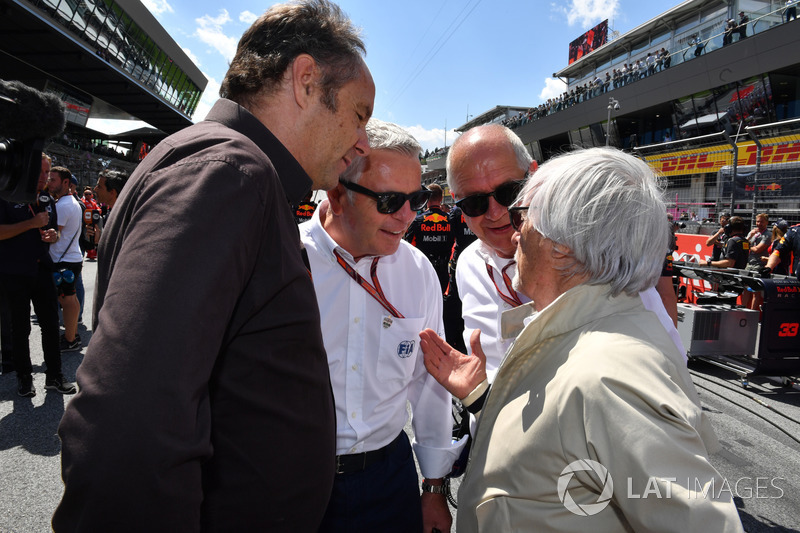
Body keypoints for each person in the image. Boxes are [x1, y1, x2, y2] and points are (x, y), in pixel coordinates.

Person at [54, 1, 374, 531]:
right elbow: (128, 429)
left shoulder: (228, 169)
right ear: (306, 81)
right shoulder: (231, 172)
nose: (362, 141)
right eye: (359, 114)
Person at [420, 147, 744, 532]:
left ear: (564, 244)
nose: (513, 227)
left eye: (522, 214)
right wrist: (478, 395)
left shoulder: (613, 375)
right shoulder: (581, 333)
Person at [300, 118, 463, 533]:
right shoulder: (281, 255)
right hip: (291, 479)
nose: (408, 215)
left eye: (416, 198)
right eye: (390, 201)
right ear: (338, 194)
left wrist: (434, 487)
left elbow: (430, 382)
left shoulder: (418, 270)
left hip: (388, 478)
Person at [445, 124, 535, 381]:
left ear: (534, 175)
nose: (496, 213)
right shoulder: (468, 263)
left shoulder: (590, 254)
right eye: (474, 202)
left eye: (509, 192)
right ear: (456, 200)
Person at [0, 154, 76, 396]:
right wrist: (31, 224)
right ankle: (24, 378)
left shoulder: (46, 198)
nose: (44, 177)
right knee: (20, 328)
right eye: (40, 172)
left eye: (47, 173)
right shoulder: (6, 193)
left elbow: (49, 230)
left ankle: (54, 375)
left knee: (51, 325)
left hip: (42, 268)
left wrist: (52, 235)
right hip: (15, 271)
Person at [47, 166, 84, 353]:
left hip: (63, 260)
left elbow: (55, 235)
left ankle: (70, 340)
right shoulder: (70, 202)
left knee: (67, 300)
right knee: (71, 299)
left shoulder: (62, 205)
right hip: (71, 258)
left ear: (66, 183)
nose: (49, 182)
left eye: (53, 179)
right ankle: (73, 334)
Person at [405, 182, 453, 292]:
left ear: (426, 199)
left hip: (423, 269)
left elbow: (409, 246)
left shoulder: (417, 220)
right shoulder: (450, 220)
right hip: (443, 269)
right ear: (441, 198)